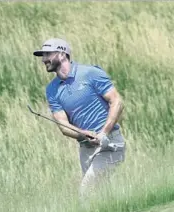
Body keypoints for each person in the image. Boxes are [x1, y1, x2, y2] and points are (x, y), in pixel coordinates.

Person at [33, 38, 126, 197]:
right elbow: (63, 126)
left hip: (109, 141)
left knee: (87, 190)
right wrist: (84, 134)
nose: (43, 60)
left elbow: (117, 102)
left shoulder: (90, 73)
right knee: (101, 194)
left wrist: (103, 132)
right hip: (86, 147)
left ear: (62, 54)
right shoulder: (52, 90)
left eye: (47, 54)